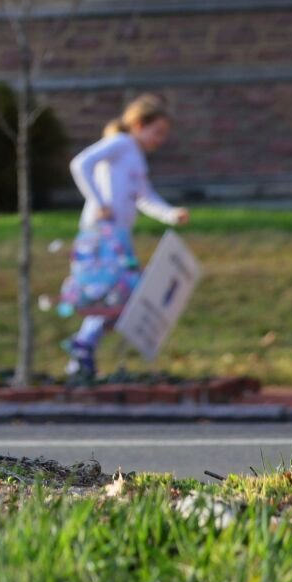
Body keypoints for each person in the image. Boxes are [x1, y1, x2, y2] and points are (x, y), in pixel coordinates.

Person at [60, 94, 189, 381]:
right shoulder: (120, 144)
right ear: (139, 124)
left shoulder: (136, 158)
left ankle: (83, 351)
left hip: (119, 235)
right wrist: (98, 201)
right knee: (115, 292)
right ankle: (82, 347)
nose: (160, 140)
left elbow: (144, 196)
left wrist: (170, 214)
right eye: (157, 132)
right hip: (102, 233)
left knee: (121, 295)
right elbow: (81, 164)